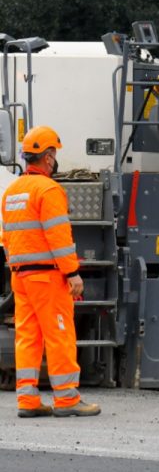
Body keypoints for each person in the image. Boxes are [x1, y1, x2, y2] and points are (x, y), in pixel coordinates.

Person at [3, 126, 100, 417]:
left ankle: (28, 400)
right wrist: (72, 273)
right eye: (54, 155)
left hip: (19, 276)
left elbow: (6, 236)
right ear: (47, 158)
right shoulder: (49, 190)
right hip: (46, 276)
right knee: (59, 335)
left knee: (27, 337)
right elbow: (59, 236)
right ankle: (67, 399)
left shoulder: (12, 191)